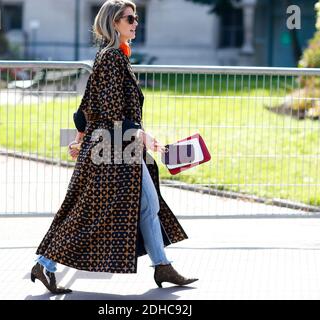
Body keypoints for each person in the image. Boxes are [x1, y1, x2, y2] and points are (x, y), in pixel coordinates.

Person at [31, 0, 198, 294]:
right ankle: (45, 264)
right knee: (90, 212)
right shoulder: (110, 58)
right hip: (110, 151)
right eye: (130, 18)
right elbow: (108, 109)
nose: (135, 23)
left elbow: (88, 105)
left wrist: (82, 136)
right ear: (114, 23)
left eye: (136, 18)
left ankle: (162, 265)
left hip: (120, 148)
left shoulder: (115, 57)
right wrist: (140, 134)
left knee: (148, 204)